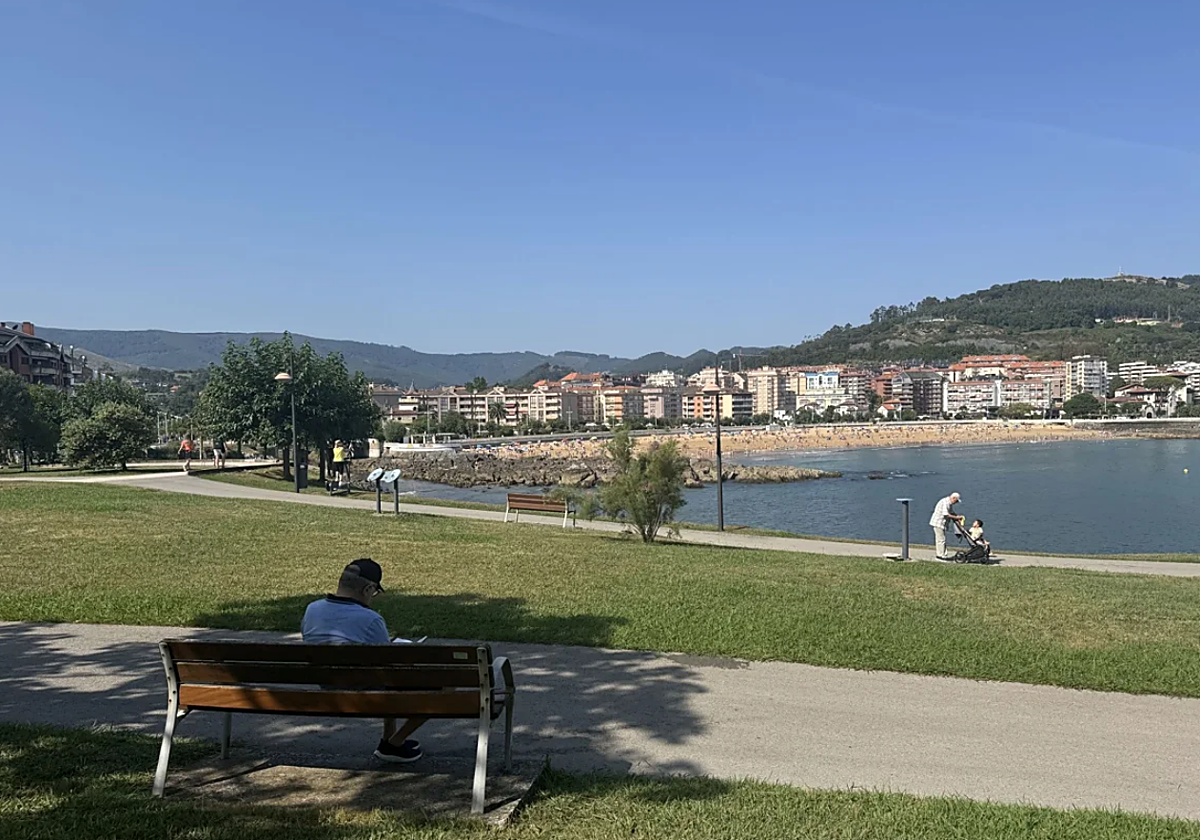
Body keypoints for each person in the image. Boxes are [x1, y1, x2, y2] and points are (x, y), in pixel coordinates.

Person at [301, 559, 425, 764]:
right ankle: (395, 742)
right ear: (368, 588)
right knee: (446, 683)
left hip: (325, 687)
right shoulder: (370, 619)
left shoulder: (312, 609)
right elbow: (388, 664)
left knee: (386, 677)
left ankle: (388, 740)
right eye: (374, 592)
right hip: (362, 692)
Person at [929, 492, 964, 560]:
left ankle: (943, 554)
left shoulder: (949, 503)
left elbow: (951, 512)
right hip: (938, 523)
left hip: (942, 524)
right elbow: (946, 514)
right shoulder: (945, 502)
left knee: (942, 539)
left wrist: (957, 516)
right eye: (956, 501)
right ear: (953, 498)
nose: (956, 503)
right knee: (941, 540)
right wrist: (956, 518)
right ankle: (940, 556)